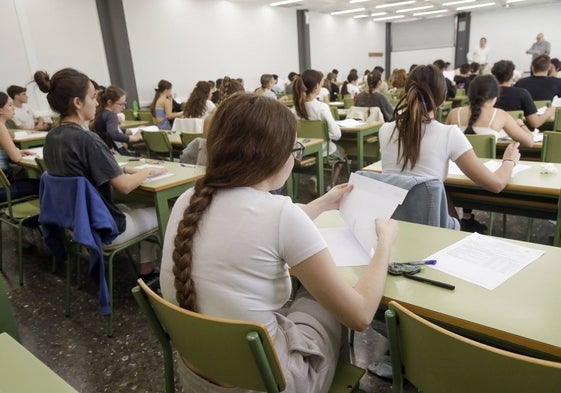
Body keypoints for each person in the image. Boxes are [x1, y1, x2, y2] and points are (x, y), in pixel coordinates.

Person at [159, 92, 398, 393]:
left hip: (199, 374)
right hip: (268, 383)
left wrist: (322, 204)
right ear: (273, 155)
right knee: (319, 298)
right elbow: (361, 315)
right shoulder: (280, 215)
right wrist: (385, 244)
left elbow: (258, 223)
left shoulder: (187, 201)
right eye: (294, 149)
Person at [34, 68, 167, 279]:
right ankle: (150, 275)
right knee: (161, 209)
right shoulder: (88, 139)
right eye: (93, 97)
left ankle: (147, 272)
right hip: (104, 226)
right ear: (78, 102)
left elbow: (81, 170)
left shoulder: (51, 137)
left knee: (140, 205)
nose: (97, 103)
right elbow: (124, 186)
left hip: (75, 223)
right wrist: (148, 170)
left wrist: (123, 168)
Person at [379, 64, 521, 229]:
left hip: (391, 224)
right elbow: (496, 184)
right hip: (432, 227)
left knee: (446, 196)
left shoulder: (385, 130)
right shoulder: (448, 134)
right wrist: (509, 161)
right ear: (443, 97)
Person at [446, 75, 533, 232]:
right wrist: (521, 125)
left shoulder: (454, 113)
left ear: (468, 93)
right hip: (487, 179)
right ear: (495, 97)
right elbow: (529, 142)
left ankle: (466, 218)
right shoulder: (499, 114)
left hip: (454, 180)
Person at [292, 69, 346, 187]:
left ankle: (315, 177)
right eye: (321, 82)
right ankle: (329, 185)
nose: (322, 85)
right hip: (323, 151)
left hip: (302, 150)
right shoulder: (321, 107)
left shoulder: (294, 109)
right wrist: (326, 134)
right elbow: (337, 135)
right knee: (340, 153)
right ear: (316, 86)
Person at [492, 60, 556, 129]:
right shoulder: (522, 94)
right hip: (515, 135)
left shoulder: (486, 94)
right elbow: (535, 123)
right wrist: (549, 112)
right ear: (512, 75)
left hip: (491, 133)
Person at [0, 92, 39, 201]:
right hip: (3, 188)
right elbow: (16, 158)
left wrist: (16, 151)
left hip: (3, 183)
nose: (13, 108)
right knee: (42, 183)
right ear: (0, 110)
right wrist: (16, 152)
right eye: (10, 105)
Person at [90, 85, 142, 156]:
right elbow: (114, 134)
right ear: (110, 102)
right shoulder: (111, 115)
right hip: (114, 154)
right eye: (121, 104)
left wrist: (131, 131)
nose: (123, 108)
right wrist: (133, 138)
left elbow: (112, 130)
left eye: (125, 104)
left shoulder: (101, 113)